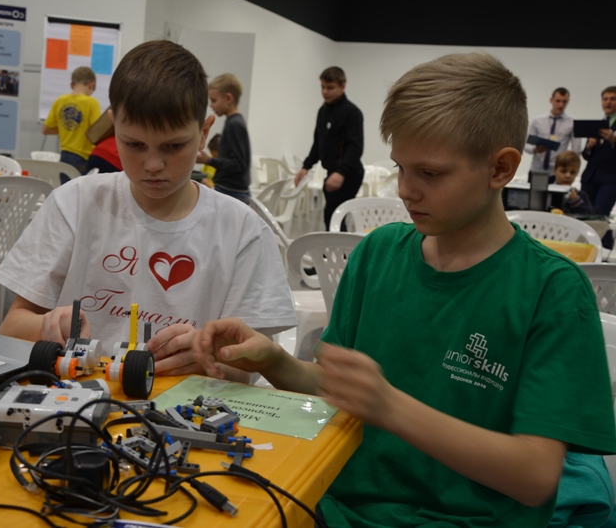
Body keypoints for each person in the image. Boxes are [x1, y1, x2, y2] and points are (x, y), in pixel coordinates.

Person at [172, 53, 616, 527]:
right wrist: (272, 361)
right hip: (336, 507)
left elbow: (535, 477)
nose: (405, 189)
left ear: (500, 169)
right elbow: (341, 390)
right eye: (401, 168)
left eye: (430, 174)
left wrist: (392, 408)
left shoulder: (551, 290)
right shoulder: (377, 254)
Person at [0, 40, 296, 382]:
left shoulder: (242, 230)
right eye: (134, 144)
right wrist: (46, 324)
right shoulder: (73, 203)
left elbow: (252, 367)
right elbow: (10, 328)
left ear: (203, 133)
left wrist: (207, 360)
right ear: (113, 127)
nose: (153, 164)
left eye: (174, 146)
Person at [294, 66, 364, 230]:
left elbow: (355, 147)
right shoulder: (323, 111)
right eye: (323, 87)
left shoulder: (352, 112)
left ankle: (340, 247)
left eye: (330, 88)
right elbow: (318, 143)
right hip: (332, 172)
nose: (325, 92)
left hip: (350, 174)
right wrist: (306, 166)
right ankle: (336, 246)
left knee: (334, 216)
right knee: (331, 217)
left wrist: (341, 173)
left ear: (343, 86)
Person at [196, 74, 251, 203]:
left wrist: (209, 160)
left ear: (228, 98)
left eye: (214, 100)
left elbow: (239, 164)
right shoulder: (234, 122)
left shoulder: (234, 124)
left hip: (231, 191)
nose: (211, 105)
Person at [43, 66, 101, 174]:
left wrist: (65, 128)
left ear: (72, 85)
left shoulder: (60, 101)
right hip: (82, 158)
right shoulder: (92, 103)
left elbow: (46, 130)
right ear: (91, 85)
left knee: (66, 184)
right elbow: (98, 131)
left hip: (64, 156)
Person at [581, 86, 616, 248]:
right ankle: (587, 249)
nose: (608, 102)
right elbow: (586, 155)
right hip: (590, 177)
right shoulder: (598, 124)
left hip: (610, 179)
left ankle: (605, 251)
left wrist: (614, 140)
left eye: (613, 99)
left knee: (600, 216)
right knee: (585, 216)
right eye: (605, 99)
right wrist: (589, 146)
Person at [524, 87, 582, 178]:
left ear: (568, 102)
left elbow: (576, 150)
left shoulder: (573, 122)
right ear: (551, 100)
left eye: (564, 101)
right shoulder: (538, 120)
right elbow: (526, 144)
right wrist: (535, 149)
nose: (561, 105)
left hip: (559, 172)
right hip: (537, 168)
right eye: (558, 101)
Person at [550, 151, 595, 215]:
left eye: (572, 172)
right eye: (563, 171)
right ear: (555, 170)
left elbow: (590, 216)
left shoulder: (581, 195)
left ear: (577, 173)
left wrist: (575, 200)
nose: (568, 175)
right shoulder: (544, 193)